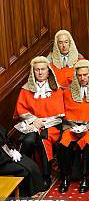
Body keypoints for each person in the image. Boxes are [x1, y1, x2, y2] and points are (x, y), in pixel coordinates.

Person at [14, 57, 64, 189]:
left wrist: (42, 123)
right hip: (31, 125)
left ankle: (45, 176)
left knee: (43, 140)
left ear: (48, 71)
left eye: (43, 69)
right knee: (28, 141)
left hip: (51, 126)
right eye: (37, 70)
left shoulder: (56, 89)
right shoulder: (26, 89)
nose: (40, 72)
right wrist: (34, 121)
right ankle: (25, 174)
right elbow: (21, 111)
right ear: (33, 72)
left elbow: (59, 116)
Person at [57, 60, 89, 194]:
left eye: (85, 75)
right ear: (75, 76)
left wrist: (86, 127)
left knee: (88, 142)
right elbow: (65, 114)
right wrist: (74, 127)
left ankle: (85, 177)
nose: (82, 78)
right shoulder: (67, 91)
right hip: (72, 126)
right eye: (79, 75)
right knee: (63, 143)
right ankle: (65, 177)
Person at [0, 124, 45, 197]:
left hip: (7, 154)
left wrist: (13, 149)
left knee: (30, 163)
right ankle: (26, 194)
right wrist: (9, 157)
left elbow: (6, 140)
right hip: (2, 162)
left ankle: (37, 188)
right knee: (24, 170)